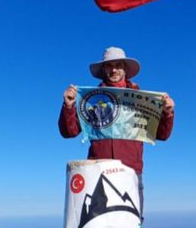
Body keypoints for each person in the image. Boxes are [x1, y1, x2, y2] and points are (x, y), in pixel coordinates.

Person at [59, 47, 174, 216]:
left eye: (118, 65)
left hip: (130, 173)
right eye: (109, 66)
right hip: (97, 173)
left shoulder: (141, 101)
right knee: (97, 226)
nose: (114, 70)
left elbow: (162, 135)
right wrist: (69, 106)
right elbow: (69, 132)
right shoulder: (91, 100)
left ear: (125, 69)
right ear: (104, 70)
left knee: (132, 224)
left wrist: (167, 112)